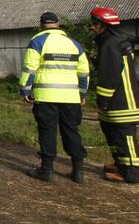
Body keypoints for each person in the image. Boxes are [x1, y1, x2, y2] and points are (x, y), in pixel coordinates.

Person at [19, 12, 89, 183]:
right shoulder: (74, 44)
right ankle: (78, 171)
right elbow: (84, 72)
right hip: (71, 97)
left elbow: (29, 69)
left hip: (46, 96)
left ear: (41, 25)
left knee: (47, 131)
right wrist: (82, 93)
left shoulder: (37, 42)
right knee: (71, 131)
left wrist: (25, 91)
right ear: (58, 24)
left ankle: (47, 170)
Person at [90, 6, 139, 184]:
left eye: (94, 22)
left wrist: (102, 100)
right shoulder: (119, 40)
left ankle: (131, 173)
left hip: (120, 101)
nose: (92, 26)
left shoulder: (109, 44)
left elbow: (108, 75)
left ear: (103, 24)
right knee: (110, 130)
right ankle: (120, 163)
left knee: (124, 135)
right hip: (120, 98)